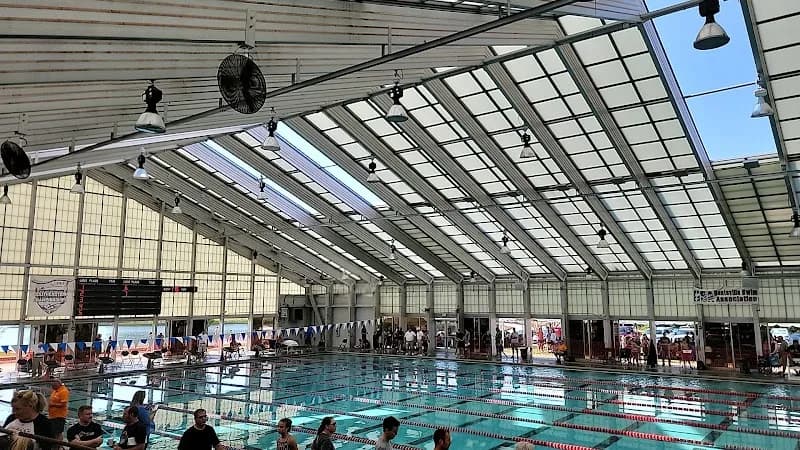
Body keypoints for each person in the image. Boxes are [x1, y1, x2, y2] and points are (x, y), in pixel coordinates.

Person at [48, 378, 69, 443]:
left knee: (58, 433)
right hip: (53, 416)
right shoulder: (56, 390)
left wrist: (52, 405)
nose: (52, 388)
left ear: (58, 384)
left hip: (59, 416)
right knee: (54, 432)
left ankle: (58, 445)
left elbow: (63, 404)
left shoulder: (64, 391)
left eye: (53, 386)